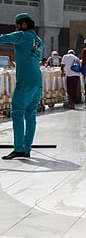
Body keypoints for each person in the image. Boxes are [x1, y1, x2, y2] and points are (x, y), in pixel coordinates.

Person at [1, 13, 44, 160]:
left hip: (25, 81)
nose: (16, 28)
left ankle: (19, 148)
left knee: (18, 112)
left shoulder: (23, 35)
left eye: (17, 25)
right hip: (37, 82)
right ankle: (27, 148)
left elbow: (4, 38)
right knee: (30, 115)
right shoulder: (39, 41)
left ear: (24, 25)